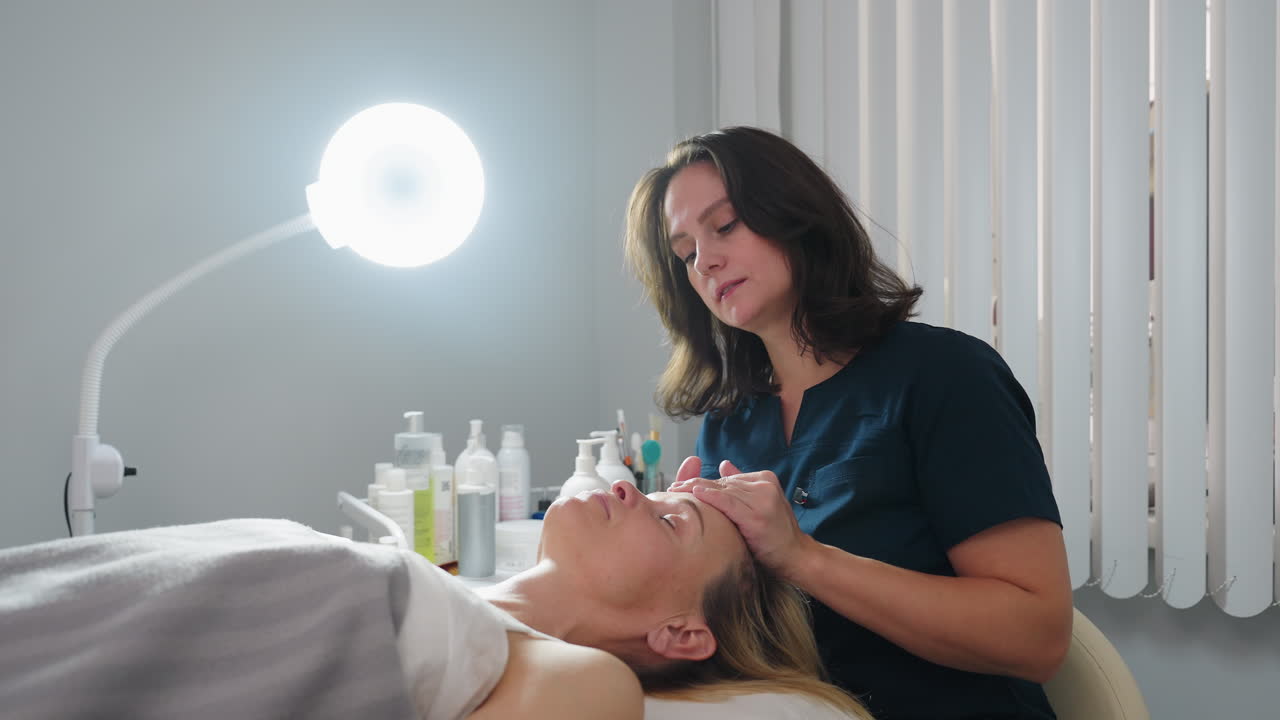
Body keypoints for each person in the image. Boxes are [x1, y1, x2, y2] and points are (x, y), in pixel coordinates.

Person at [624, 126, 1073, 719]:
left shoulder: (945, 377)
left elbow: (1037, 637)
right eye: (685, 254)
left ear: (796, 216)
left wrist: (804, 558)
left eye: (726, 225)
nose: (705, 260)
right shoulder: (730, 421)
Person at [0, 482, 869, 720]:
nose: (636, 491)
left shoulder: (583, 684)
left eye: (676, 523)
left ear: (681, 633)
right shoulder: (442, 590)